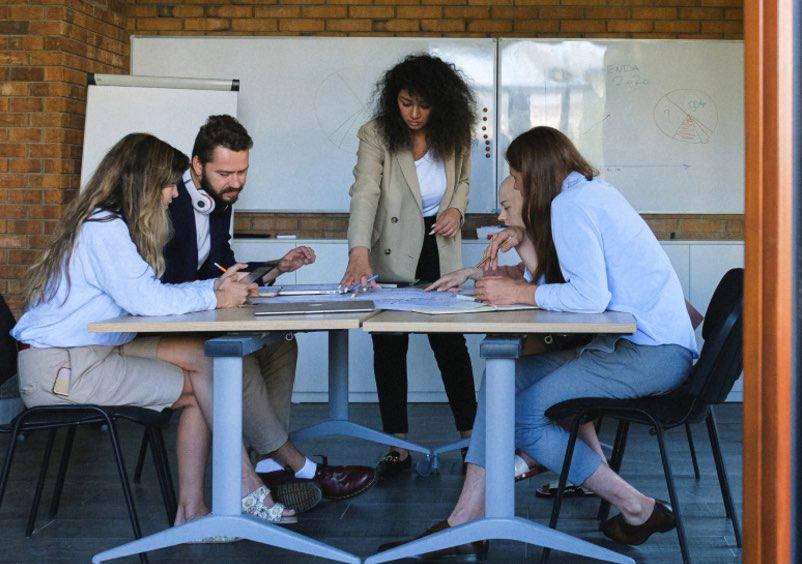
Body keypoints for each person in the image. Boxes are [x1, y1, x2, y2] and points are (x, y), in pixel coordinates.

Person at [379, 126, 699, 558]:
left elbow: (589, 298)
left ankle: (636, 506)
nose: (510, 184)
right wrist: (524, 241)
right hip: (637, 347)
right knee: (502, 379)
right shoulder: (587, 194)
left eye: (514, 175)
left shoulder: (572, 205)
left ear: (534, 174)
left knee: (525, 416)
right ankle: (465, 523)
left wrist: (519, 293)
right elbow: (568, 285)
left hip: (651, 355)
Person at [11, 133, 296, 537]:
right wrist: (215, 292)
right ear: (143, 184)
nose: (172, 194)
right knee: (204, 379)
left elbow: (147, 295)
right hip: (62, 370)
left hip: (93, 353)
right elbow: (146, 299)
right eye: (166, 184)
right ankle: (244, 487)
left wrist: (215, 291)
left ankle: (196, 511)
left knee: (204, 364)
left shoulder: (112, 225)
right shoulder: (103, 229)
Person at [163, 114, 376, 505]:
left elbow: (222, 264)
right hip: (171, 323)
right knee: (238, 356)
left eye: (242, 171)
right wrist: (219, 289)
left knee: (280, 344)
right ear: (196, 165)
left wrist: (274, 268)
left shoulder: (218, 200)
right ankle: (300, 465)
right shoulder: (168, 203)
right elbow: (167, 283)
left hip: (206, 311)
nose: (236, 182)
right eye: (225, 173)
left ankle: (268, 463)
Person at [340, 54, 478, 478]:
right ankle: (396, 444)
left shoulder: (455, 133)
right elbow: (364, 192)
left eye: (424, 104)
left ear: (442, 103)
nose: (414, 114)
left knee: (450, 344)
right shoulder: (376, 133)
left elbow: (464, 183)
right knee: (389, 343)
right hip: (392, 247)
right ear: (392, 101)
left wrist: (456, 208)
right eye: (405, 103)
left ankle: (473, 439)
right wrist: (358, 251)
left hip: (439, 244)